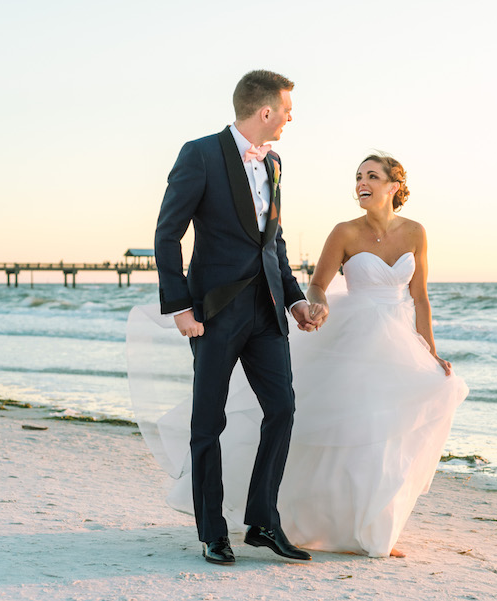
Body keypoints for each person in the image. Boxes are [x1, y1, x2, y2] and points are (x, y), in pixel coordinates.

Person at [131, 153, 467, 558]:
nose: (362, 182)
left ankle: (376, 528)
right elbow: (318, 286)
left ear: (394, 186)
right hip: (355, 339)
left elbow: (421, 297)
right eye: (358, 176)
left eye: (372, 176)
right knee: (349, 431)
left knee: (390, 434)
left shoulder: (416, 232)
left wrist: (429, 351)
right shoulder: (344, 231)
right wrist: (316, 306)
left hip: (399, 343)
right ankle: (282, 522)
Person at [152, 69, 319, 565]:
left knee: (283, 409)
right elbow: (167, 234)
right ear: (265, 111)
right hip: (214, 313)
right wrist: (180, 307)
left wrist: (295, 300)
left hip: (268, 312)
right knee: (208, 421)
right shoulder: (199, 154)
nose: (292, 117)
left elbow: (274, 242)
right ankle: (212, 531)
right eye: (287, 108)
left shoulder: (276, 162)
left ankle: (263, 520)